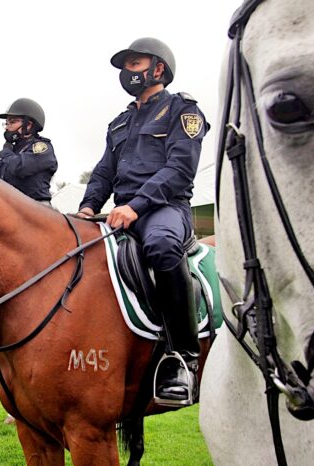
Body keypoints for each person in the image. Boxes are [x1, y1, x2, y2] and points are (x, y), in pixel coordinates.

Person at [77, 37, 209, 402]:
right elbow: (104, 172)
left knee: (163, 247)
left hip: (164, 208)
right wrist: (88, 207)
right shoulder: (119, 123)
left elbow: (180, 169)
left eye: (135, 64)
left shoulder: (184, 111)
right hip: (121, 211)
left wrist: (137, 205)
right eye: (126, 66)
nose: (127, 71)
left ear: (158, 69)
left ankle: (183, 357)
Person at [0, 98, 58, 205]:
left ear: (29, 124)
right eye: (6, 123)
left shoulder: (42, 147)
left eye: (12, 122)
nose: (7, 127)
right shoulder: (7, 151)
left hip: (36, 207)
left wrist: (6, 152)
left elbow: (19, 168)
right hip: (7, 207)